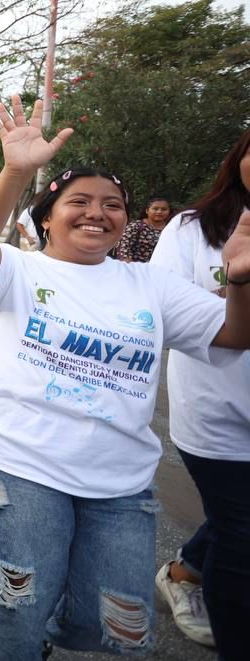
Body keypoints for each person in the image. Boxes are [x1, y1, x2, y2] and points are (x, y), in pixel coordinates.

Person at [0, 96, 250, 660]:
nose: (98, 212)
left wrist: (240, 280)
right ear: (46, 217)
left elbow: (234, 335)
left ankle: (48, 627)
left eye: (113, 204)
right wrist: (16, 170)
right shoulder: (20, 268)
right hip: (18, 461)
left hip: (118, 480)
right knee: (22, 595)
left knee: (118, 625)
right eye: (79, 201)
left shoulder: (151, 286)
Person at [150, 129, 250, 656]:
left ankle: (184, 572)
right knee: (243, 537)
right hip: (220, 416)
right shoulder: (194, 229)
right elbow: (164, 310)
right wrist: (235, 280)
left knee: (238, 518)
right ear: (239, 160)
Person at [115, 197, 171, 263]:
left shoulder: (172, 228)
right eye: (155, 209)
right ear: (147, 210)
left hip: (161, 269)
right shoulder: (136, 225)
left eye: (164, 209)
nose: (159, 212)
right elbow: (124, 248)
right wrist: (130, 267)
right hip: (135, 268)